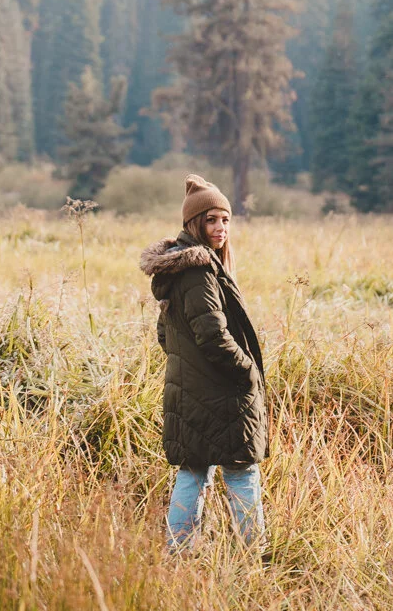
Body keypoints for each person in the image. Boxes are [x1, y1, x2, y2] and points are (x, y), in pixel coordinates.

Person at [139, 174, 267, 554]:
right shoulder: (199, 271)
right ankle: (252, 556)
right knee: (242, 472)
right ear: (194, 223)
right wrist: (246, 372)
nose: (220, 227)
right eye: (211, 220)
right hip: (221, 391)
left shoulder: (182, 269)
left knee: (193, 472)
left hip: (193, 390)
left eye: (225, 219)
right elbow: (212, 335)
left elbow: (166, 334)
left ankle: (178, 553)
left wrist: (192, 368)